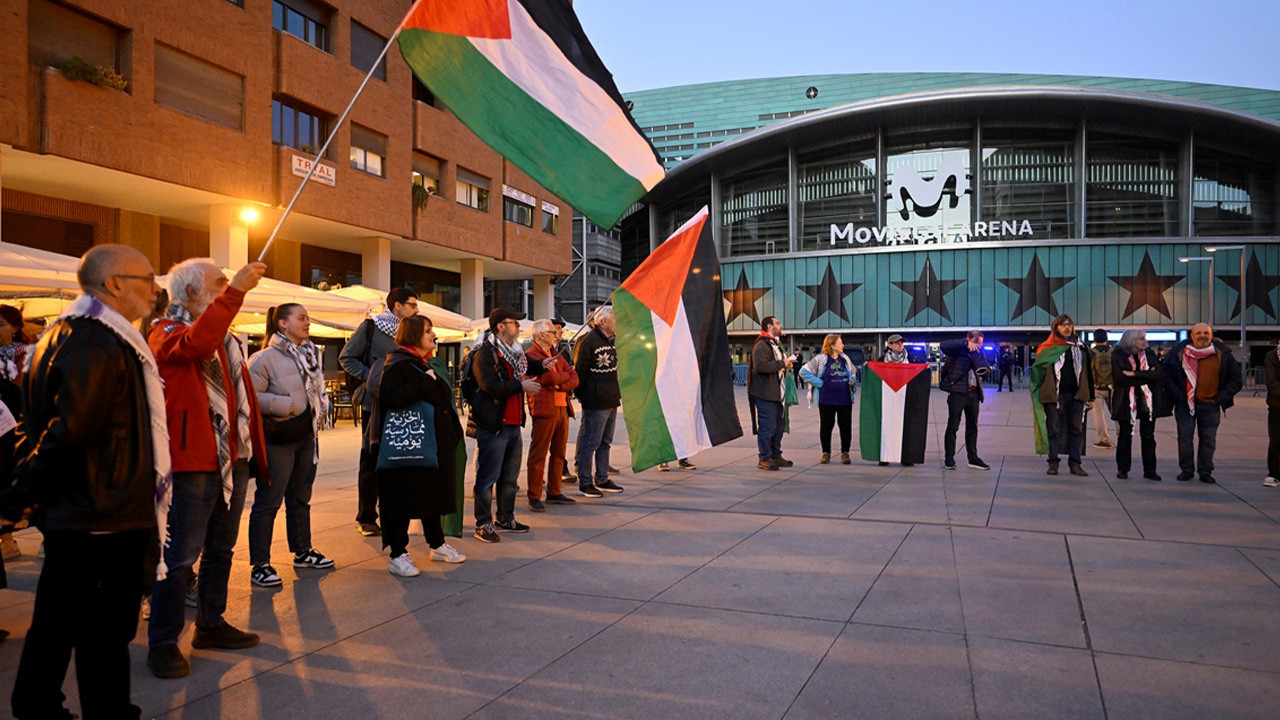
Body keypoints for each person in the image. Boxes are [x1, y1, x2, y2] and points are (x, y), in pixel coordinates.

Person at [0, 245, 164, 720]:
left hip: (87, 510)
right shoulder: (95, 341)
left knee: (56, 621)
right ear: (114, 284)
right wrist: (16, 496)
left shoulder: (74, 334)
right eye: (148, 278)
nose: (155, 289)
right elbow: (67, 433)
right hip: (101, 514)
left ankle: (35, 704)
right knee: (104, 636)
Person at [146, 258, 268, 679]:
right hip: (192, 462)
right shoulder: (165, 332)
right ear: (191, 292)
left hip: (230, 459)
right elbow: (195, 345)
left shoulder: (222, 336)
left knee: (220, 549)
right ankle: (162, 642)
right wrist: (236, 292)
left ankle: (210, 624)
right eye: (219, 283)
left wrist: (251, 454)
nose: (228, 287)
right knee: (180, 554)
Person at [245, 303, 334, 589]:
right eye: (302, 318)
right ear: (283, 324)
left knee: (300, 498)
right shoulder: (264, 359)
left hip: (306, 434)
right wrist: (284, 404)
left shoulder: (311, 355)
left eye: (308, 317)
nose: (308, 322)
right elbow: (248, 397)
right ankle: (259, 564)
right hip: (279, 436)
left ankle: (303, 551)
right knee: (268, 501)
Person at [373, 315, 466, 576]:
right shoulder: (398, 364)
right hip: (408, 446)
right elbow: (390, 398)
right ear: (414, 336)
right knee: (402, 499)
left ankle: (436, 544)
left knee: (431, 496)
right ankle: (398, 554)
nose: (433, 335)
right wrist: (424, 381)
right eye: (428, 331)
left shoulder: (423, 364)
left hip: (431, 446)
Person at [340, 287, 420, 537]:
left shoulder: (412, 331)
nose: (416, 309)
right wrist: (373, 376)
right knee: (372, 459)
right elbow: (347, 358)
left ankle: (392, 512)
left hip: (404, 402)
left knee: (398, 459)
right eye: (412, 305)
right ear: (397, 306)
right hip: (375, 403)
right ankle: (366, 517)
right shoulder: (372, 327)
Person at [471, 308, 540, 542]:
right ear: (501, 326)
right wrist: (521, 387)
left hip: (512, 425)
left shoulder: (516, 352)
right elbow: (488, 386)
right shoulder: (486, 353)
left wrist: (545, 365)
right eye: (515, 323)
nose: (519, 327)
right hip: (494, 425)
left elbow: (530, 366)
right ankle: (483, 523)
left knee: (510, 478)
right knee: (487, 478)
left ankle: (505, 517)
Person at [1162, 323, 1244, 483]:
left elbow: (1236, 380)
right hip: (1185, 405)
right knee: (1185, 439)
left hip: (1210, 405)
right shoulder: (1178, 353)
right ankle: (1187, 470)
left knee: (1208, 440)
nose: (1202, 335)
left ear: (1211, 335)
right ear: (1191, 336)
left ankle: (1205, 471)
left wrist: (1219, 398)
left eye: (1206, 333)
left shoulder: (1222, 353)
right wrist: (1178, 395)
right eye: (1198, 333)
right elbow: (1167, 376)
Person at [524, 318, 578, 511]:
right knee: (539, 453)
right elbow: (549, 377)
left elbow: (574, 376)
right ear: (540, 335)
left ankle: (554, 491)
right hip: (545, 408)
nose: (556, 335)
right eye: (551, 332)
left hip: (562, 407)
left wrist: (560, 383)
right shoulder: (531, 355)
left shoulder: (555, 353)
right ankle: (534, 494)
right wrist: (561, 379)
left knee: (559, 452)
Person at [1032, 314, 1095, 476]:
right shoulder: (1048, 348)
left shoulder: (1080, 347)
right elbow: (1037, 372)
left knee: (1077, 430)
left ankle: (1075, 463)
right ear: (1056, 328)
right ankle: (1053, 463)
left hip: (1076, 394)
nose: (1067, 327)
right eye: (1063, 325)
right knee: (1053, 429)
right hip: (1055, 396)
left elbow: (1088, 373)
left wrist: (1091, 397)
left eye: (1070, 324)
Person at [573, 306, 624, 495]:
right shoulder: (588, 341)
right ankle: (585, 481)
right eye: (614, 319)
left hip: (611, 397)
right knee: (591, 442)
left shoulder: (613, 341)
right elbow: (580, 372)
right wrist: (583, 395)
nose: (617, 322)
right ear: (603, 321)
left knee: (605, 441)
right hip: (595, 400)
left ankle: (602, 477)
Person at [1110, 330, 1169, 481]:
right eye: (1141, 339)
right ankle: (1123, 469)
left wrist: (1134, 374)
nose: (1145, 341)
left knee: (1148, 436)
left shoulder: (1149, 354)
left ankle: (1150, 470)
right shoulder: (1118, 354)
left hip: (1147, 400)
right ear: (1131, 341)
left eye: (1145, 338)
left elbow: (1158, 374)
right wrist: (1146, 375)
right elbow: (1120, 377)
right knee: (1125, 435)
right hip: (1125, 400)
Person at [800, 334, 858, 464]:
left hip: (845, 399)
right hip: (827, 400)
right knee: (826, 426)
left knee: (845, 427)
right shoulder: (820, 359)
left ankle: (845, 453)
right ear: (832, 345)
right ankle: (826, 452)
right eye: (840, 343)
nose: (843, 345)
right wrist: (819, 383)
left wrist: (852, 380)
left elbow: (853, 371)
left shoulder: (845, 358)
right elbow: (803, 372)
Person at [939, 330, 989, 471]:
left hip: (974, 393)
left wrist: (980, 361)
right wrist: (965, 344)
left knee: (972, 427)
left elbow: (986, 370)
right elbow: (943, 345)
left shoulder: (979, 352)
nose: (978, 346)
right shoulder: (957, 349)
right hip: (958, 393)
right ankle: (949, 459)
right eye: (976, 343)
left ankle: (973, 458)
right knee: (953, 425)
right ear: (969, 339)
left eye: (980, 344)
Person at [749, 316, 793, 471]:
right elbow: (760, 366)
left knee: (778, 427)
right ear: (769, 326)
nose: (780, 326)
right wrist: (781, 363)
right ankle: (765, 458)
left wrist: (785, 364)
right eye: (777, 323)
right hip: (766, 394)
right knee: (767, 427)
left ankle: (775, 455)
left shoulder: (774, 344)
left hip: (777, 393)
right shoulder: (761, 344)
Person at [1090, 329, 1114, 449]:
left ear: (1094, 339)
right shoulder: (1113, 352)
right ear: (1106, 339)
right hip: (1112, 388)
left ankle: (1105, 440)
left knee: (1099, 415)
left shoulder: (1091, 353)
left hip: (1096, 388)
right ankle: (1122, 437)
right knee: (1116, 414)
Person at [1265, 337, 1280, 487]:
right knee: (1276, 440)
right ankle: (1274, 473)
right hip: (1277, 407)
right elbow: (1272, 382)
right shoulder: (1272, 357)